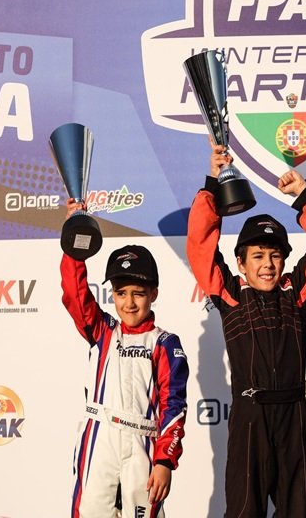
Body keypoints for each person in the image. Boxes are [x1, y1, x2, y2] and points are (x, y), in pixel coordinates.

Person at [186, 144, 306, 517]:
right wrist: (214, 183)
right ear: (241, 263)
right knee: (244, 510)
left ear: (284, 260)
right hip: (249, 418)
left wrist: (305, 197)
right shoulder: (230, 294)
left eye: (275, 255)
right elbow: (201, 246)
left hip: (292, 417)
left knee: (298, 510)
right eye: (257, 256)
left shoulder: (297, 292)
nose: (267, 264)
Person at [61, 200, 189, 518]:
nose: (129, 303)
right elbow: (75, 294)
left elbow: (174, 406)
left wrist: (164, 461)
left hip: (143, 444)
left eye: (138, 293)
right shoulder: (102, 331)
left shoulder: (165, 343)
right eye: (121, 293)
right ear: (112, 294)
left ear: (153, 293)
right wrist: (75, 235)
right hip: (100, 438)